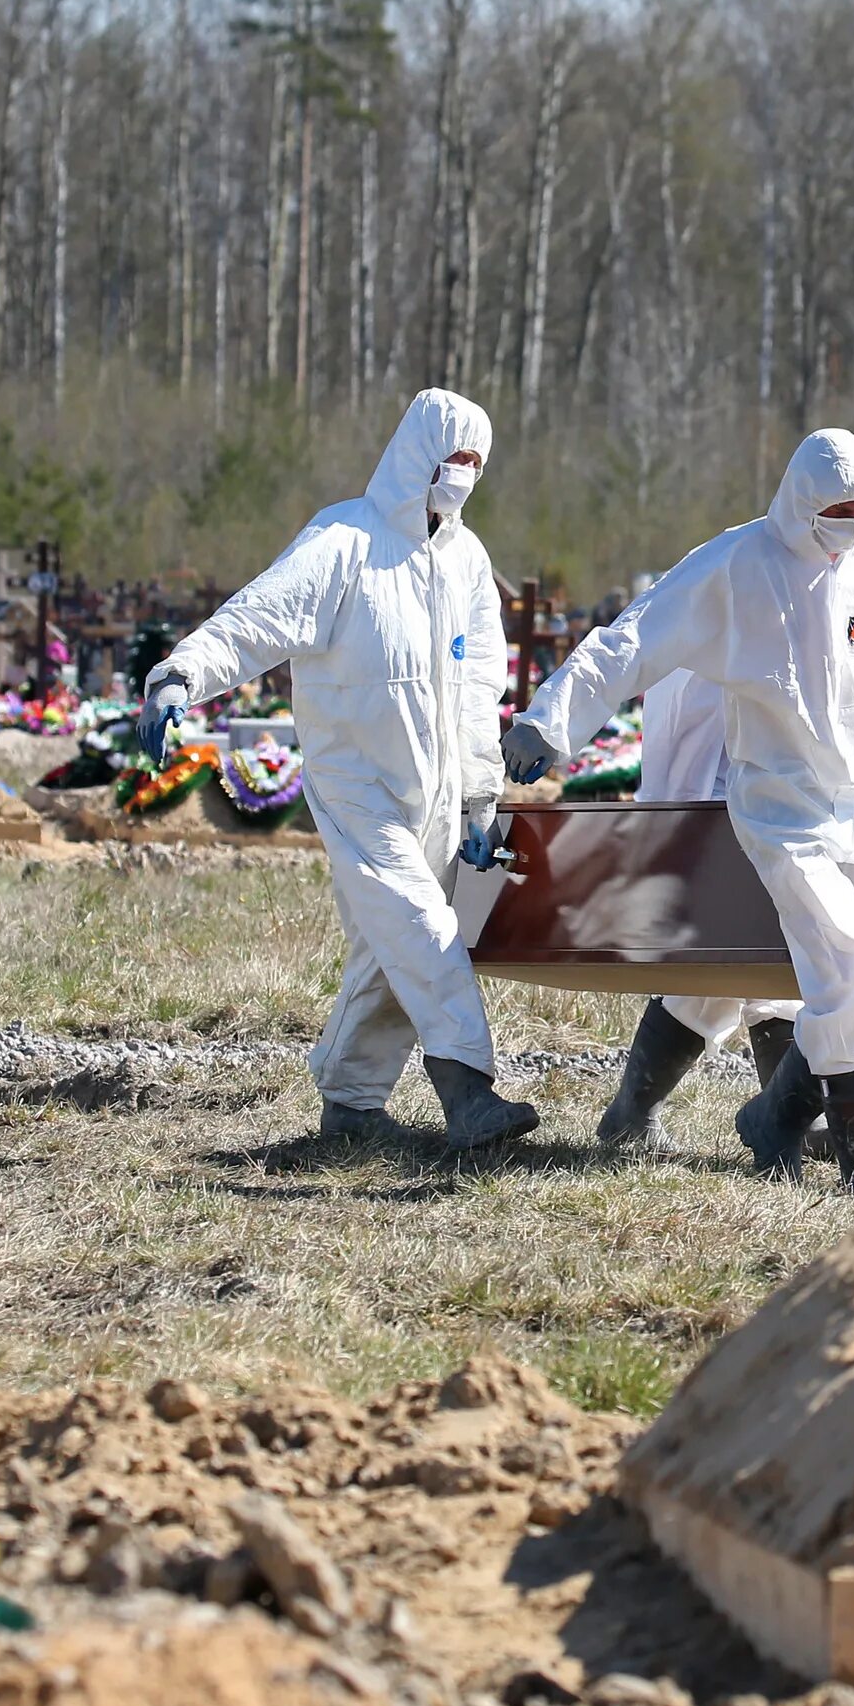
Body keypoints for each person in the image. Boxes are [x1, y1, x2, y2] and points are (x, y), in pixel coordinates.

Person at [501, 429, 854, 1196]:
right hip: (786, 814)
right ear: (803, 502)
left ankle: (773, 1118)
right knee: (842, 967)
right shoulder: (738, 567)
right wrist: (552, 720)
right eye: (839, 511)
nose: (851, 525)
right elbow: (635, 637)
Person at [134, 388, 539, 1152]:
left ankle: (350, 1106)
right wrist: (181, 673)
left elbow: (481, 687)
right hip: (358, 785)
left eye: (477, 463)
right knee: (423, 928)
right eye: (454, 458)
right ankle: (469, 1092)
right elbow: (259, 619)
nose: (464, 474)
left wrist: (481, 797)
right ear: (417, 453)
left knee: (394, 949)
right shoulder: (344, 540)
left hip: (440, 791)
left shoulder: (467, 561)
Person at [589, 667, 808, 1149]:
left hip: (764, 793)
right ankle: (638, 1110)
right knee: (738, 955)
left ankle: (636, 1112)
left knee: (760, 958)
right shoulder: (716, 595)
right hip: (710, 794)